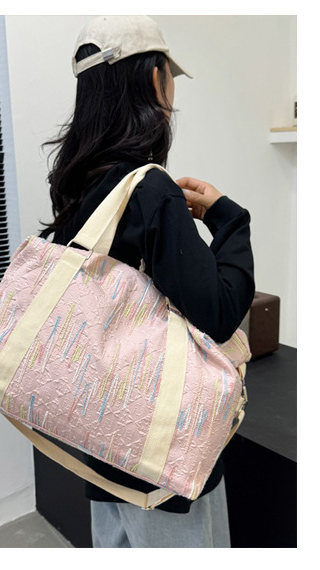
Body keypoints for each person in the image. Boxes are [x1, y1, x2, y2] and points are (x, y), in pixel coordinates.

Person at [39, 16, 254, 548]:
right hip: (162, 450)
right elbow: (219, 312)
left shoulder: (79, 183)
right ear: (155, 80)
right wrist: (229, 218)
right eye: (169, 76)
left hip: (102, 432)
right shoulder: (149, 189)